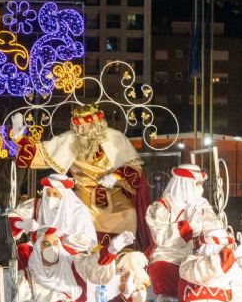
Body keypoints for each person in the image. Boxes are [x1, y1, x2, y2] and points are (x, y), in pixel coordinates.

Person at [12, 104, 150, 249]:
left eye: (84, 126)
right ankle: (84, 252)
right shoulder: (69, 140)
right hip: (83, 191)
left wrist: (115, 176)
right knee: (80, 213)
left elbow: (135, 168)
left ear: (95, 126)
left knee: (129, 212)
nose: (79, 131)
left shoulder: (115, 138)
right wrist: (19, 138)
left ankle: (123, 251)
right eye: (76, 126)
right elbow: (40, 154)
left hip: (113, 191)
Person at [145, 164, 222, 302]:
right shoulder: (162, 207)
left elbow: (211, 226)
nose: (201, 189)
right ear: (184, 184)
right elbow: (161, 237)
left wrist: (216, 236)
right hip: (169, 255)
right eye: (197, 184)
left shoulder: (202, 205)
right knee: (161, 272)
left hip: (197, 254)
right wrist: (188, 227)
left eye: (201, 184)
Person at [8, 174, 98, 253]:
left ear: (64, 195)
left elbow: (85, 241)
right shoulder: (37, 205)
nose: (51, 197)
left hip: (66, 255)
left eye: (55, 194)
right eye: (48, 193)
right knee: (23, 249)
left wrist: (60, 238)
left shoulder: (78, 210)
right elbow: (12, 218)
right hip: (37, 251)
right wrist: (20, 224)